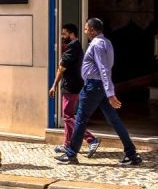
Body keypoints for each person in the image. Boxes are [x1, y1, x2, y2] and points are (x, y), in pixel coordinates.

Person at [56, 18, 142, 166]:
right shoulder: (106, 42)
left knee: (81, 119)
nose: (85, 31)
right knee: (114, 120)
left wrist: (110, 93)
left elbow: (104, 69)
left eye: (86, 29)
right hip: (99, 87)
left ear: (92, 30)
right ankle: (131, 155)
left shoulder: (97, 45)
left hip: (93, 87)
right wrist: (108, 91)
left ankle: (70, 154)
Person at [49, 24, 100, 156]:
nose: (62, 36)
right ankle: (67, 144)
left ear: (71, 34)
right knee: (68, 116)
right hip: (74, 85)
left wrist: (54, 85)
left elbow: (61, 68)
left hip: (71, 87)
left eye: (64, 33)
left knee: (68, 116)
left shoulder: (72, 48)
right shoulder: (75, 47)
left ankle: (91, 139)